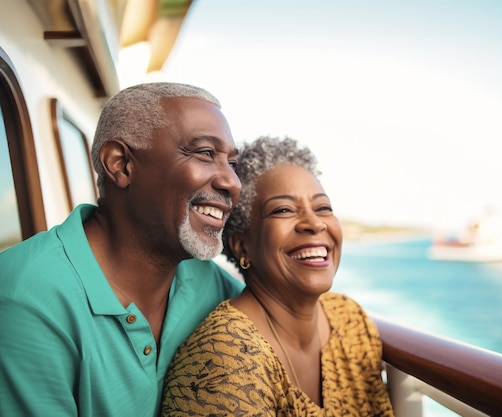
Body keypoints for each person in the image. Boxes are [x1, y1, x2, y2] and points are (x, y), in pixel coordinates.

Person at [0, 82, 244, 417]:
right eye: (205, 153)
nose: (232, 181)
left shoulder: (210, 284)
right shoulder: (26, 299)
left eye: (231, 162)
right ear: (121, 165)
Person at [161, 136, 395, 416]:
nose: (315, 223)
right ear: (242, 245)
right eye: (283, 210)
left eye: (323, 208)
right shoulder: (223, 360)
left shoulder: (349, 320)